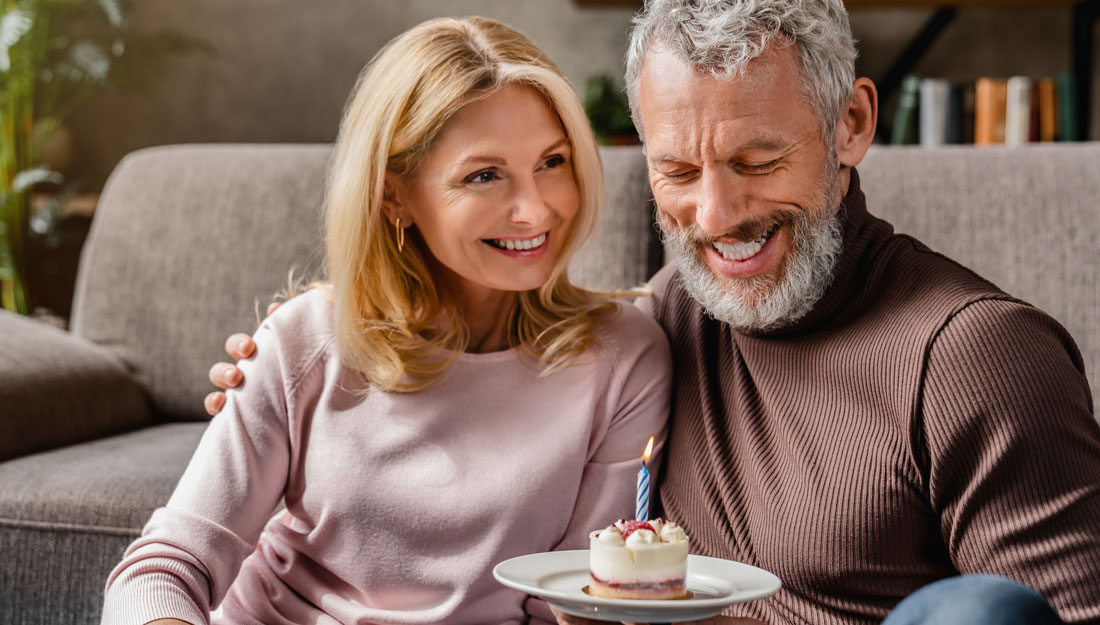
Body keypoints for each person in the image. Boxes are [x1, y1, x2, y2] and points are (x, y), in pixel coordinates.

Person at [210, 2, 1100, 624]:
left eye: (758, 159)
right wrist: (311, 356)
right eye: (678, 170)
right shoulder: (669, 317)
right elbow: (514, 343)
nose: (716, 216)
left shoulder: (977, 354)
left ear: (853, 125)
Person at [102, 16, 672, 625]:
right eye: (484, 175)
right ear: (392, 195)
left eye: (552, 162)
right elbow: (166, 568)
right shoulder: (304, 342)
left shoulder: (624, 358)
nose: (535, 209)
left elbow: (578, 605)